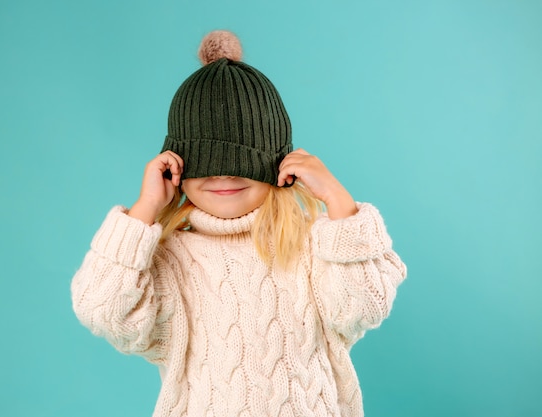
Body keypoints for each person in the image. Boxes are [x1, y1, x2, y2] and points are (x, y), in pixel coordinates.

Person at [71, 30, 407, 417]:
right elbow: (101, 309)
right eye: (206, 163)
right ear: (176, 166)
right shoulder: (169, 260)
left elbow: (365, 305)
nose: (223, 176)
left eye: (241, 162)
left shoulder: (315, 244)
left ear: (279, 163)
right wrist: (144, 208)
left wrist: (338, 201)